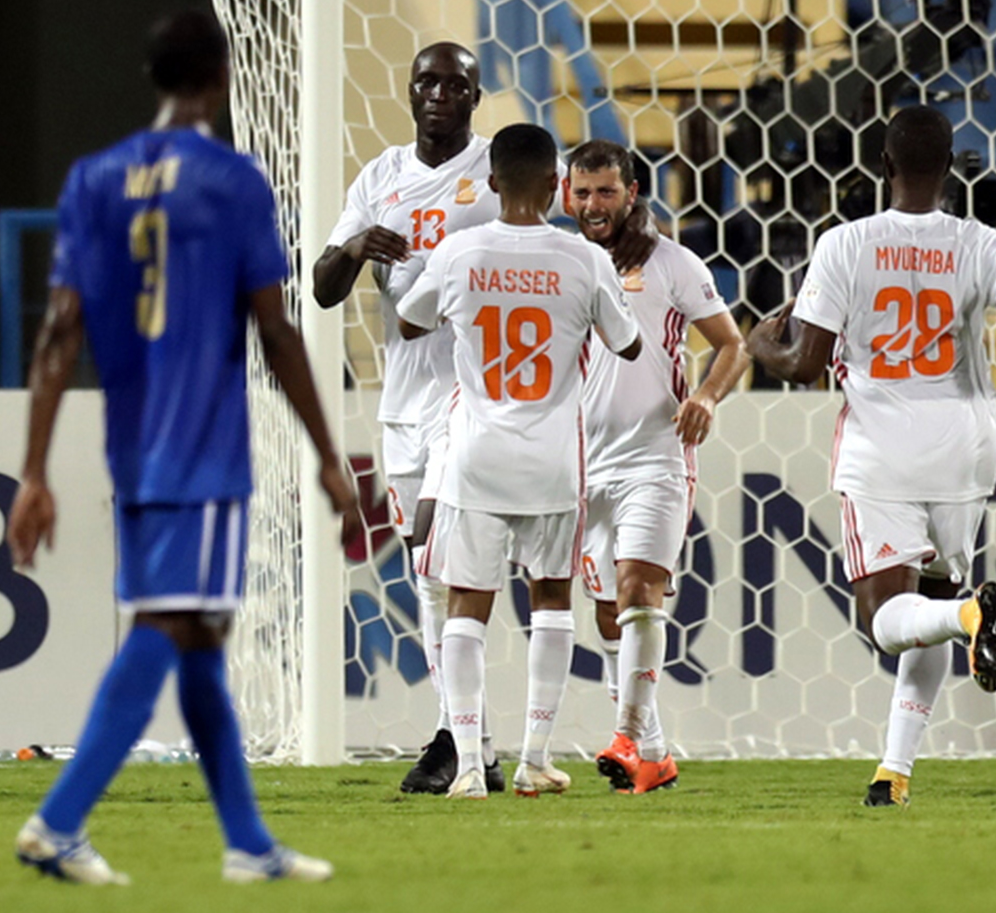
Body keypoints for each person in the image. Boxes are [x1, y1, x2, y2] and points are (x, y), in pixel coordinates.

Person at [8, 9, 356, 884]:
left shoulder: (93, 179)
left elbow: (57, 331)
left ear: (155, 78)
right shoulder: (233, 180)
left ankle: (247, 844)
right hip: (203, 444)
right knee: (173, 623)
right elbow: (275, 330)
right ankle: (58, 818)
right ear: (222, 78)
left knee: (202, 633)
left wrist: (36, 470)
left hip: (133, 446)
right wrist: (325, 448)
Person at [747, 106, 996, 806]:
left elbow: (803, 362)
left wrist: (758, 344)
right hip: (964, 449)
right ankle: (894, 771)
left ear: (883, 166)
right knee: (932, 602)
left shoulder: (845, 243)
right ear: (947, 171)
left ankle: (970, 617)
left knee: (890, 620)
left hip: (881, 446)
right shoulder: (982, 244)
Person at [311, 41, 651, 795]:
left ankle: (463, 748)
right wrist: (359, 244)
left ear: (473, 96)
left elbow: (415, 314)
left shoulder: (494, 172)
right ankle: (478, 744)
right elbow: (323, 287)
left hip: (468, 412)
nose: (437, 93)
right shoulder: (381, 179)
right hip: (410, 404)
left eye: (453, 83)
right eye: (424, 80)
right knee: (437, 580)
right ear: (408, 91)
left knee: (454, 575)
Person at [397, 123, 643, 800]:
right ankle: (535, 758)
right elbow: (627, 345)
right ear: (557, 187)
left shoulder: (457, 251)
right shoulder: (582, 258)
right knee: (552, 600)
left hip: (476, 457)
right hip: (553, 460)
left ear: (495, 182)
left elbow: (411, 321)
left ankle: (473, 767)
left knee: (466, 606)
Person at [563, 139, 748, 793]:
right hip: (580, 464)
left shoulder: (672, 263)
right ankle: (656, 753)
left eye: (606, 191)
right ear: (565, 195)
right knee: (609, 614)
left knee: (641, 589)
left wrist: (705, 395)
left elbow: (731, 343)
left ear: (632, 193)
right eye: (582, 192)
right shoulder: (565, 264)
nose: (593, 205)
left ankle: (624, 736)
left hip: (656, 456)